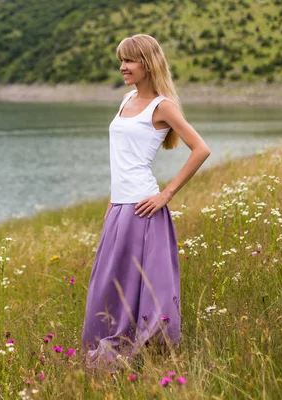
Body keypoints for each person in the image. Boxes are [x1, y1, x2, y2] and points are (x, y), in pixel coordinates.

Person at [81, 34, 211, 369]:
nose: (123, 66)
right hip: (120, 206)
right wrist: (112, 200)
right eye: (121, 60)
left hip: (143, 208)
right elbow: (122, 157)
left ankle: (148, 354)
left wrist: (166, 194)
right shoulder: (125, 99)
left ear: (148, 63)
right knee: (109, 283)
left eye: (129, 60)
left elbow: (201, 149)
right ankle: (117, 350)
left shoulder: (162, 106)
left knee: (144, 286)